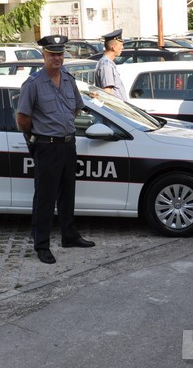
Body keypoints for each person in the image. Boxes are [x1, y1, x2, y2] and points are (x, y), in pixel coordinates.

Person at [18, 35, 94, 265]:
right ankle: (42, 245)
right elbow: (22, 118)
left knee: (67, 193)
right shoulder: (33, 84)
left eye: (60, 54)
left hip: (68, 144)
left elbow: (76, 110)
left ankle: (69, 236)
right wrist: (36, 137)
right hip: (46, 146)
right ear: (44, 55)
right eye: (52, 54)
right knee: (45, 198)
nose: (57, 58)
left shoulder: (70, 81)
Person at [94, 29, 127, 100]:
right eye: (121, 45)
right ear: (113, 47)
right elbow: (107, 92)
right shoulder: (106, 65)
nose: (122, 48)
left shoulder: (109, 63)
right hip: (115, 108)